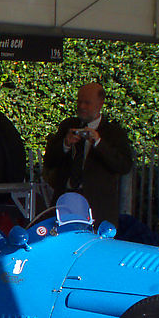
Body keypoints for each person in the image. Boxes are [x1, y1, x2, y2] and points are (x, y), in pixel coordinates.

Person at [43, 82, 133, 227]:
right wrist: (65, 144)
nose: (82, 107)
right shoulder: (68, 126)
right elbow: (49, 161)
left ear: (100, 104)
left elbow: (124, 166)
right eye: (79, 102)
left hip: (98, 209)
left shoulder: (114, 133)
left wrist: (98, 143)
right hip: (65, 203)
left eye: (87, 103)